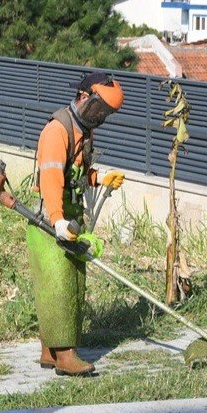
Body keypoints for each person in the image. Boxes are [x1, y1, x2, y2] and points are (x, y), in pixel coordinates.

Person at [27, 70, 126, 377]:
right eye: (99, 110)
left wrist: (101, 177)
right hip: (49, 217)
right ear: (84, 98)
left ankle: (48, 350)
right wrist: (56, 220)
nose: (101, 117)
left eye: (106, 114)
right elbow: (52, 178)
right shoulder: (58, 131)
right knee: (60, 285)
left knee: (67, 282)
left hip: (68, 214)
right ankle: (66, 355)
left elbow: (77, 174)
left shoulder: (83, 131)